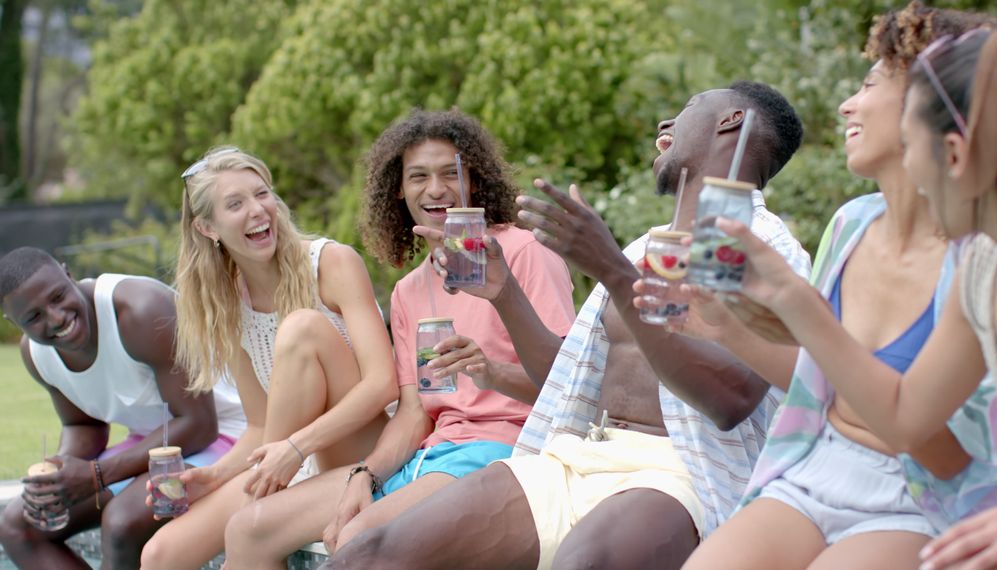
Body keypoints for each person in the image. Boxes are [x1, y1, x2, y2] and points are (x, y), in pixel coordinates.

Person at [324, 82, 812, 570]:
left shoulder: (759, 243)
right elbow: (560, 381)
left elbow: (729, 402)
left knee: (581, 562)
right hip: (580, 457)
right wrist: (505, 293)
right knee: (368, 554)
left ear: (729, 121)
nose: (666, 125)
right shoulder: (645, 247)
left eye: (687, 109)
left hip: (679, 471)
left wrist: (614, 272)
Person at [702, 20, 997, 570]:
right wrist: (783, 301)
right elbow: (904, 417)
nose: (911, 188)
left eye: (915, 153)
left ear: (952, 155)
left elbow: (940, 454)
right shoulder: (985, 273)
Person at [222, 110, 576, 567]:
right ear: (399, 190)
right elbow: (413, 412)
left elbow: (573, 382)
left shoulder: (524, 252)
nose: (435, 189)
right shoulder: (410, 292)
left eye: (452, 173)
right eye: (419, 177)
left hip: (504, 449)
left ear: (476, 182)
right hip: (431, 455)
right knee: (248, 529)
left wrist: (490, 373)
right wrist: (365, 474)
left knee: (357, 538)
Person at [139, 147, 396, 569]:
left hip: (366, 453)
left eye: (262, 194)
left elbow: (383, 383)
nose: (258, 210)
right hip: (290, 463)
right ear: (207, 227)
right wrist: (215, 476)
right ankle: (261, 498)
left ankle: (262, 506)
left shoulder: (331, 263)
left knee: (303, 328)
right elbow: (262, 426)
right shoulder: (228, 302)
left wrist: (295, 448)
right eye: (236, 204)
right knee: (160, 554)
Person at [0, 248, 245, 569]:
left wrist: (95, 475)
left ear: (67, 273)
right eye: (33, 317)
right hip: (152, 442)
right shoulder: (36, 355)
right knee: (19, 525)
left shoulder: (141, 309)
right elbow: (83, 426)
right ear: (13, 322)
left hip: (225, 438)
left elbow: (199, 424)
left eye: (58, 296)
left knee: (121, 524)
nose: (56, 318)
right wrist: (60, 474)